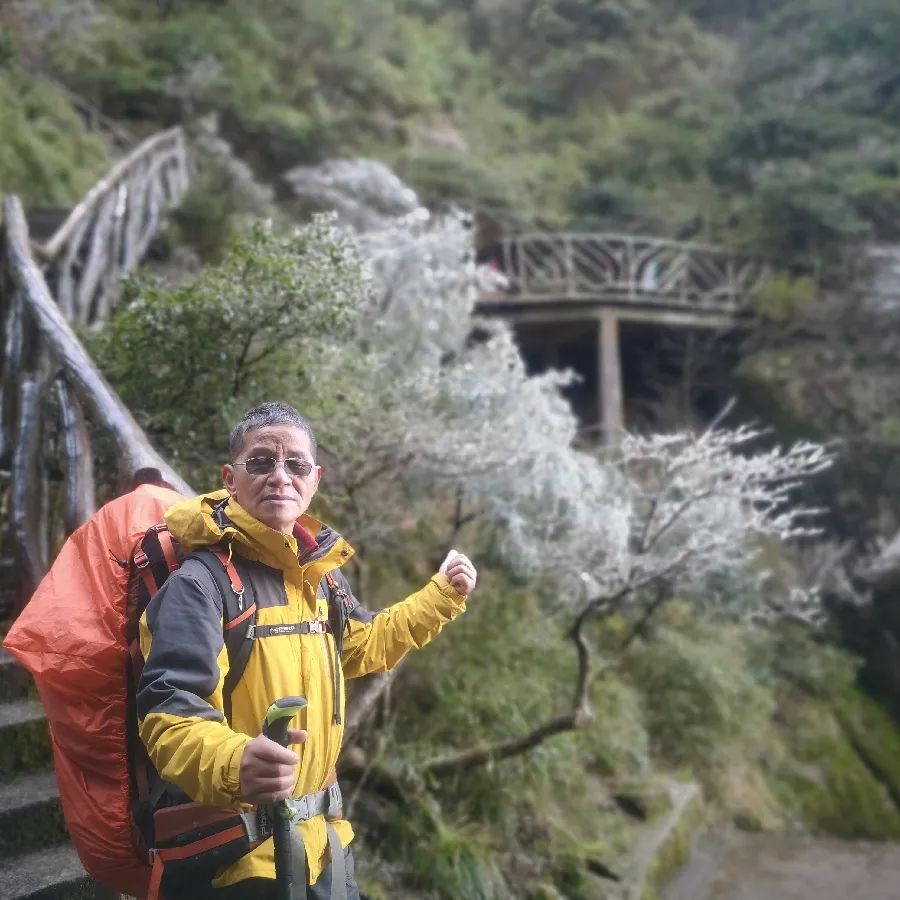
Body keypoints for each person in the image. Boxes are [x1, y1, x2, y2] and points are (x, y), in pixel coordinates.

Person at [137, 401, 477, 899]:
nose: (280, 476)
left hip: (325, 844)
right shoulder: (201, 585)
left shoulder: (316, 575)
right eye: (261, 462)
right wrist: (236, 762)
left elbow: (361, 646)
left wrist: (441, 596)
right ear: (230, 478)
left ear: (315, 479)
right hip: (241, 864)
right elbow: (169, 718)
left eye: (295, 465)